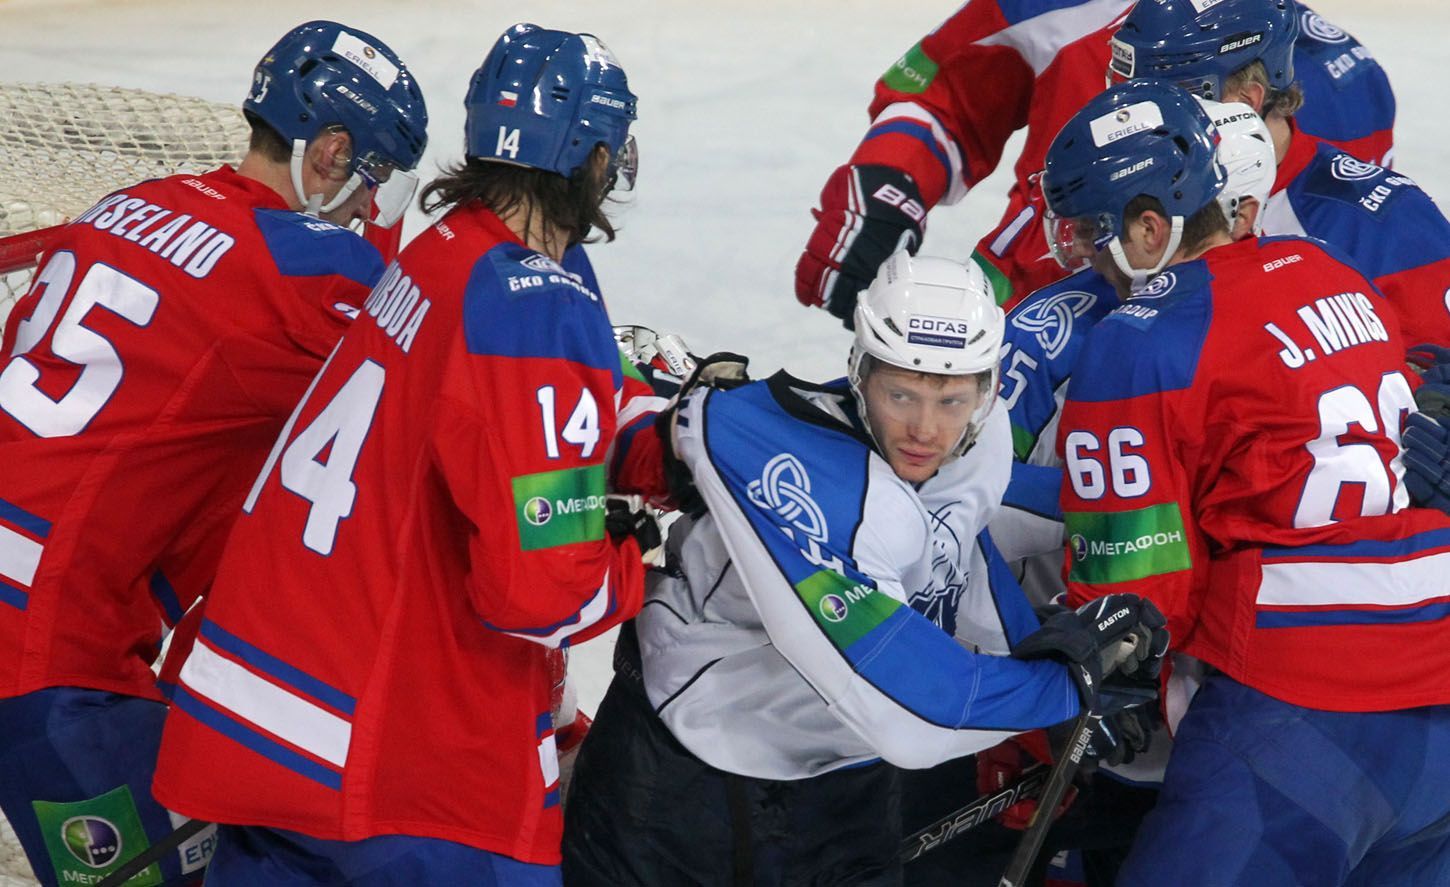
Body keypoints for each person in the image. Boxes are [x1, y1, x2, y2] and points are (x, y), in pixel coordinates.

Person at [149, 23, 664, 885]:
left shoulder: (444, 248)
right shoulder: (534, 307)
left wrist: (645, 431)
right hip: (403, 770)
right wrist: (636, 558)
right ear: (594, 159)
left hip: (264, 726)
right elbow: (536, 594)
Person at [562, 250, 1168, 884]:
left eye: (952, 399)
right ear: (859, 371)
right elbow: (913, 713)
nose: (925, 429)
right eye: (900, 393)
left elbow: (957, 544)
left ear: (986, 390)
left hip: (845, 785)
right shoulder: (822, 485)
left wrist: (1046, 652)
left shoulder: (976, 441)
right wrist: (1065, 686)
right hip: (684, 787)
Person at [0, 20, 426, 887]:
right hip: (44, 655)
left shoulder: (124, 204)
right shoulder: (309, 271)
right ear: (331, 154)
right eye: (375, 183)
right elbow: (442, 372)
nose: (372, 212)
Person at [1048, 78, 1450, 885]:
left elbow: (1137, 596)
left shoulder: (1138, 339)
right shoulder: (1331, 271)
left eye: (1095, 230)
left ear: (1151, 227)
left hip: (1301, 719)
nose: (1087, 256)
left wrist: (1090, 679)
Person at [794, 0, 1393, 320]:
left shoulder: (1348, 91)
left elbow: (1365, 281)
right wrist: (887, 183)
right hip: (1016, 314)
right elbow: (948, 95)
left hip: (1211, 377)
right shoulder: (1064, 9)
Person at [1111, 0, 1450, 347]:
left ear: (1246, 99)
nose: (1138, 120)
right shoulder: (1119, 190)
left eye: (1170, 94)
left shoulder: (1385, 225)